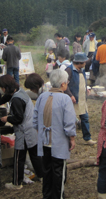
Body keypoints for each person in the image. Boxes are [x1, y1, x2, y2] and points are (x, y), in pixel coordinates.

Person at [33, 69, 76, 199]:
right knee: (58, 172)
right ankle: (58, 196)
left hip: (44, 141)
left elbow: (35, 120)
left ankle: (47, 195)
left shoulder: (42, 96)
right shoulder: (65, 99)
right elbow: (69, 122)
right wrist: (72, 138)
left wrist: (41, 133)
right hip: (58, 142)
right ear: (63, 84)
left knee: (47, 170)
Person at [0, 75, 44, 190]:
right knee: (35, 155)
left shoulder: (17, 100)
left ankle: (17, 183)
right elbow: (8, 96)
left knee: (18, 159)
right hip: (32, 129)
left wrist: (6, 118)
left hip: (24, 132)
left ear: (4, 88)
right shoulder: (19, 91)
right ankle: (43, 176)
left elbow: (18, 118)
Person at [65, 52, 97, 145]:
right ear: (79, 62)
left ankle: (87, 138)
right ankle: (69, 139)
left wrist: (86, 88)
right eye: (84, 62)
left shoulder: (82, 70)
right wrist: (70, 95)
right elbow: (64, 85)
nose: (85, 63)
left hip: (82, 99)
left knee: (85, 118)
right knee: (71, 121)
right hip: (73, 100)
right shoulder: (69, 70)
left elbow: (81, 82)